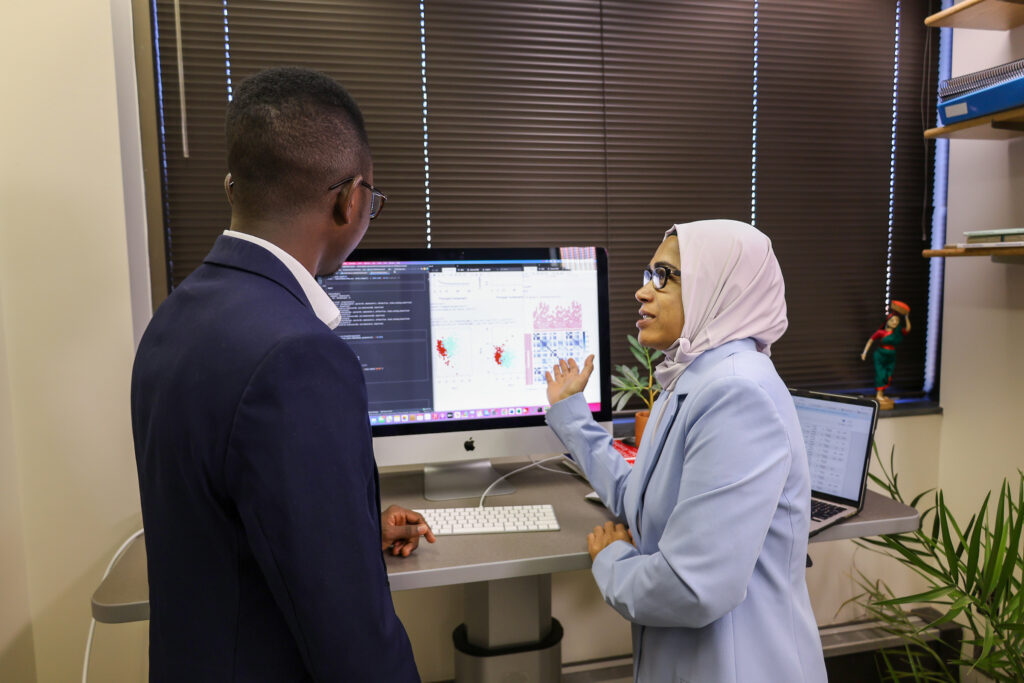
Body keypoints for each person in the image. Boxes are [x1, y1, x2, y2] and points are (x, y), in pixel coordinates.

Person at [131, 67, 431, 682]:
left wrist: (343, 528)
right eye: (372, 200)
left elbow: (220, 515)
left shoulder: (175, 317)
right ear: (349, 201)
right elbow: (354, 644)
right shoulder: (300, 356)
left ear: (231, 187)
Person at [544, 219, 827, 682]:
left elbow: (692, 587)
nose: (642, 292)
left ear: (719, 285)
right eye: (646, 275)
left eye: (664, 276)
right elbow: (641, 497)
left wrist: (611, 560)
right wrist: (573, 417)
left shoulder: (737, 393)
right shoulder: (693, 377)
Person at [861, 300, 911, 410]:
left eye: (897, 321)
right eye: (893, 320)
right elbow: (871, 340)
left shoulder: (897, 332)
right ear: (888, 321)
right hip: (880, 355)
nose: (895, 323)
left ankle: (881, 395)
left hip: (891, 355)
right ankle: (879, 395)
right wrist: (864, 352)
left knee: (887, 374)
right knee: (880, 374)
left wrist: (906, 317)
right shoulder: (881, 332)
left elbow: (907, 329)